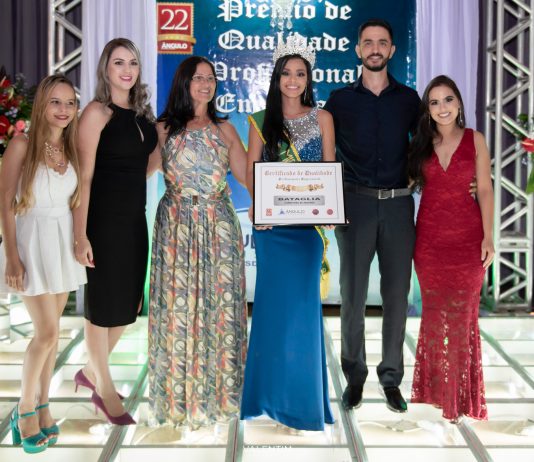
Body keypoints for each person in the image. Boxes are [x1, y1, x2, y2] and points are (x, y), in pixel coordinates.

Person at [240, 34, 336, 431]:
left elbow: (328, 170)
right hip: (272, 230)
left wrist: (329, 209)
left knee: (303, 315)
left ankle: (301, 404)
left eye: (300, 73)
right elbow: (251, 170)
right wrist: (259, 208)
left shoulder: (323, 118)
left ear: (308, 79)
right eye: (286, 73)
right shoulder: (261, 121)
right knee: (272, 314)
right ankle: (268, 398)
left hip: (306, 232)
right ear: (276, 77)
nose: (293, 80)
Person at [323, 19, 420, 413]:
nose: (375, 48)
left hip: (398, 206)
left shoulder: (410, 100)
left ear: (392, 50)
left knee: (397, 295)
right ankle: (355, 377)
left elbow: (428, 147)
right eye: (368, 42)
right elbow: (324, 151)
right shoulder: (339, 101)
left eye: (382, 42)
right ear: (358, 50)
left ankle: (391, 378)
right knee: (353, 295)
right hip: (355, 205)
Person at [147, 56, 248, 430]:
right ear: (184, 83)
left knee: (220, 310)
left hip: (218, 227)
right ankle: (177, 401)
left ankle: (221, 398)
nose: (206, 84)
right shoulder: (163, 129)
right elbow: (137, 172)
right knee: (176, 311)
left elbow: (248, 176)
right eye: (198, 78)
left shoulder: (225, 129)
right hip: (175, 229)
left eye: (211, 78)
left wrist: (281, 199)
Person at [73, 38, 158, 425]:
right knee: (102, 308)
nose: (127, 70)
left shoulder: (142, 115)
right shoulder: (96, 112)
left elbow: (146, 166)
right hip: (103, 223)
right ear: (105, 69)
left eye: (133, 63)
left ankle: (90, 372)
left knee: (127, 307)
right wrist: (80, 234)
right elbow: (84, 177)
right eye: (119, 62)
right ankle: (104, 389)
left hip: (135, 220)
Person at [0, 75, 86, 453]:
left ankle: (44, 405)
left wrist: (79, 240)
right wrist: (12, 256)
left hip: (61, 244)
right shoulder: (21, 144)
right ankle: (24, 410)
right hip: (30, 242)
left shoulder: (71, 149)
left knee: (53, 336)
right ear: (41, 105)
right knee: (47, 333)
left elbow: (75, 202)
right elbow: (5, 202)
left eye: (70, 103)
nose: (63, 110)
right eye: (55, 102)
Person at [408, 75, 493, 421]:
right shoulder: (420, 144)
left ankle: (458, 399)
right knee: (434, 317)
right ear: (427, 110)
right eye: (434, 102)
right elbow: (404, 183)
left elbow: (484, 190)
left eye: (448, 100)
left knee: (462, 319)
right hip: (429, 243)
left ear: (458, 103)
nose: (442, 107)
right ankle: (437, 394)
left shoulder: (476, 140)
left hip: (468, 241)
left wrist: (489, 237)